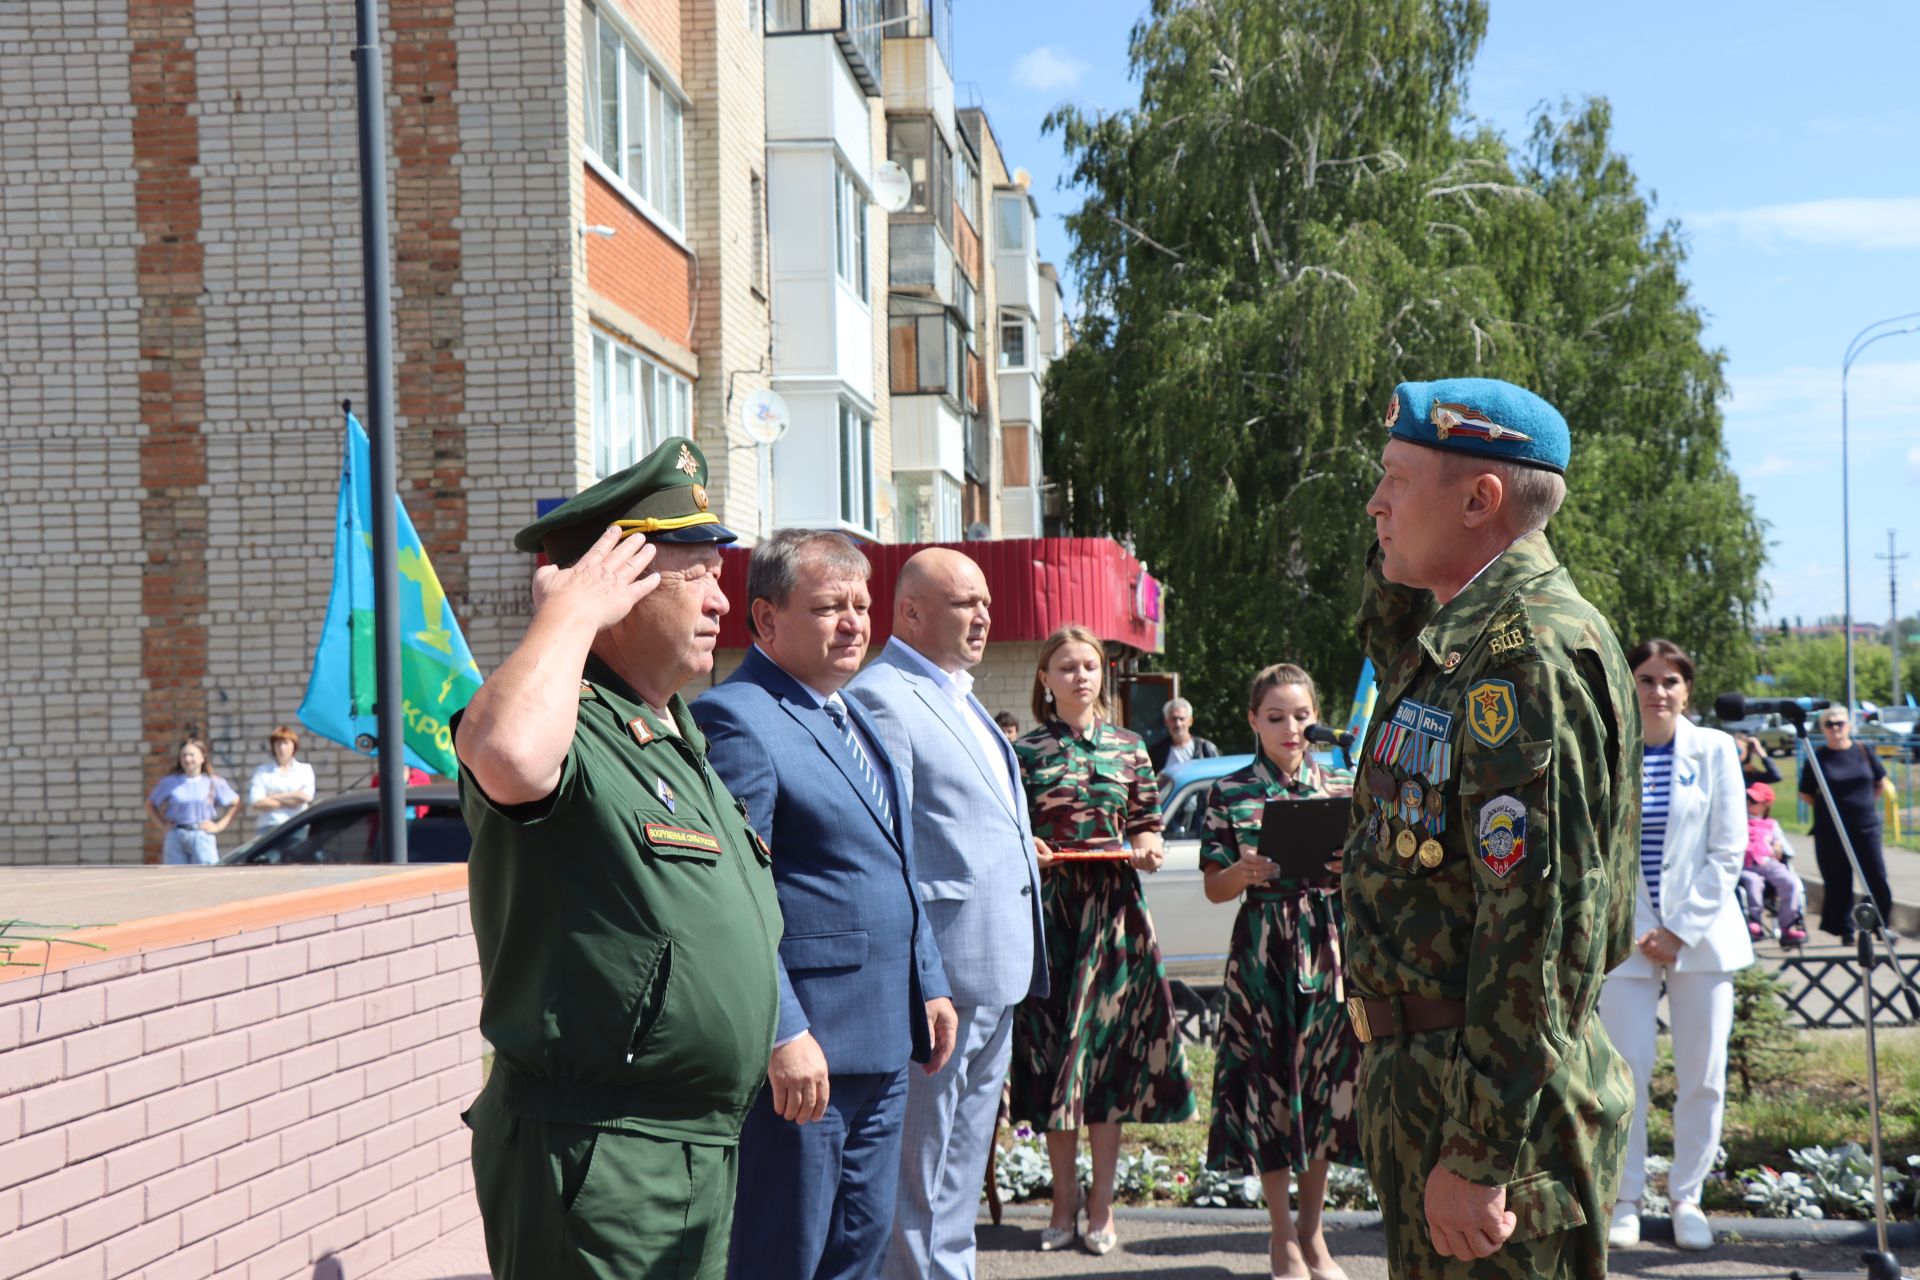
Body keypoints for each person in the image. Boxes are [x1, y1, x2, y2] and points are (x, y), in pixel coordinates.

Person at [451, 437, 783, 1279]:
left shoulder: (675, 731)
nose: (721, 597)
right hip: (601, 1153)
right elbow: (509, 758)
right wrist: (565, 614)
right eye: (696, 573)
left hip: (691, 1148)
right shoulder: (571, 719)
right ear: (618, 584)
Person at [1343, 377, 1638, 1279]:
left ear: (1481, 500)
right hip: (1437, 1077)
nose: (1375, 501)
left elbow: (1540, 930)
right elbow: (1383, 620)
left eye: (1395, 477)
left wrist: (1477, 1153)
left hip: (1497, 1105)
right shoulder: (1457, 640)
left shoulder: (1527, 658)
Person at [691, 529, 956, 1280]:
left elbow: (893, 866)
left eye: (862, 606)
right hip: (807, 1060)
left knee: (859, 1256)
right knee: (787, 1256)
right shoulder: (737, 719)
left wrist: (928, 980)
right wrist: (782, 1031)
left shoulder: (854, 714)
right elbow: (735, 897)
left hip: (882, 1040)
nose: (854, 623)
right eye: (830, 607)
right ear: (766, 621)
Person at [846, 548, 1047, 1280]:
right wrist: (919, 974)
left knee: (959, 1169)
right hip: (940, 980)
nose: (984, 615)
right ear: (909, 613)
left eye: (986, 602)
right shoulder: (884, 696)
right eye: (965, 602)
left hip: (995, 967)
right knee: (919, 1176)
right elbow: (886, 847)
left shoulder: (958, 693)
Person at [1010, 625, 1195, 1256]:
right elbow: (1011, 833)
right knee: (1057, 1060)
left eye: (1089, 666)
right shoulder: (1026, 752)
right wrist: (1027, 851)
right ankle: (1062, 1200)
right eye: (1066, 667)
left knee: (1105, 1066)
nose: (1081, 676)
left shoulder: (1130, 747)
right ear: (1046, 679)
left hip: (1115, 918)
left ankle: (1102, 1203)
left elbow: (1146, 824)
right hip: (1054, 919)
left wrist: (1148, 846)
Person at [1200, 663, 1360, 1280]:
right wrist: (1240, 873)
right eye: (1275, 717)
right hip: (1264, 950)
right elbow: (1215, 889)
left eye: (1301, 715)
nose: (1291, 728)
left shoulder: (1343, 784)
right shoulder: (1231, 790)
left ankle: (1315, 1235)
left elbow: (1370, 879)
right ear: (1252, 721)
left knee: (1322, 1087)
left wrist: (1353, 865)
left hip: (1328, 946)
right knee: (1270, 1086)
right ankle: (1281, 1238)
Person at [1598, 638, 1753, 1253]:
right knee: (1626, 1074)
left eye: (1670, 681)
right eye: (1645, 679)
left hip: (1703, 941)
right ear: (1628, 684)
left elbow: (1727, 850)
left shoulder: (1715, 750)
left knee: (1703, 1076)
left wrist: (1679, 928)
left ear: (1687, 689)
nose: (1658, 691)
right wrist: (1638, 926)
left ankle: (1688, 1196)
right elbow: (1599, 852)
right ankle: (1627, 1198)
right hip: (1627, 941)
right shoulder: (1609, 749)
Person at [1799, 709, 1898, 945]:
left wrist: (1862, 805)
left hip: (1865, 825)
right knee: (1838, 879)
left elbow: (1879, 783)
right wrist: (1831, 808)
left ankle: (1881, 926)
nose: (1835, 728)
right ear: (1823, 729)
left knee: (1875, 876)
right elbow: (1806, 794)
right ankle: (1845, 929)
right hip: (1831, 828)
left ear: (1849, 726)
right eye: (1830, 724)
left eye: (1840, 723)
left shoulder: (1863, 751)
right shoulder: (1818, 757)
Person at [146, 737, 240, 864]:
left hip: (201, 835)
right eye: (184, 755)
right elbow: (150, 804)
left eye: (192, 755)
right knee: (175, 878)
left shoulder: (213, 782)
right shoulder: (170, 782)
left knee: (205, 877)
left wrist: (219, 826)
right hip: (176, 836)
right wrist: (163, 826)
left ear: (202, 757)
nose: (187, 759)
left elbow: (236, 803)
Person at [1741, 782, 1807, 945]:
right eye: (1747, 799)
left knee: (1790, 882)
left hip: (1767, 862)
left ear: (1766, 805)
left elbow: (1785, 847)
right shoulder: (1738, 820)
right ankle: (1754, 921)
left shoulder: (1771, 824)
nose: (1748, 804)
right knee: (1753, 882)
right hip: (1746, 865)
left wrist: (1778, 844)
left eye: (1753, 801)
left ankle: (1788, 925)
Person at [247, 726, 315, 835]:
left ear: (294, 745)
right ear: (273, 747)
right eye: (278, 744)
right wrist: (293, 799)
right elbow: (256, 801)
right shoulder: (262, 771)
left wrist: (273, 797)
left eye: (286, 743)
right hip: (269, 826)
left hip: (298, 824)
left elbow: (306, 796)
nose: (282, 748)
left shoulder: (304, 769)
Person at [1148, 696, 1220, 773]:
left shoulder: (1206, 749)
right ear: (1166, 722)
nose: (1178, 724)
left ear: (1190, 721)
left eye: (1182, 719)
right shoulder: (1156, 752)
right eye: (1174, 719)